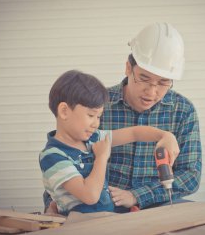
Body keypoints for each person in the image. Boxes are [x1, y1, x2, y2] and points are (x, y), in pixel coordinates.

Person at [44, 22, 202, 213]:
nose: (152, 92)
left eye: (163, 82)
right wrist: (52, 207)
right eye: (144, 78)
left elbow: (190, 177)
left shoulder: (183, 111)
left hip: (154, 204)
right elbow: (63, 167)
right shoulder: (97, 107)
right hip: (102, 209)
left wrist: (137, 195)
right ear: (128, 68)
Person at [40, 70, 180, 215]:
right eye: (91, 115)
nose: (96, 123)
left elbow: (134, 133)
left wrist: (164, 135)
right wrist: (101, 157)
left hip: (106, 218)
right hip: (79, 225)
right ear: (64, 111)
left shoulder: (93, 138)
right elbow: (90, 196)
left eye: (99, 116)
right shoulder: (53, 156)